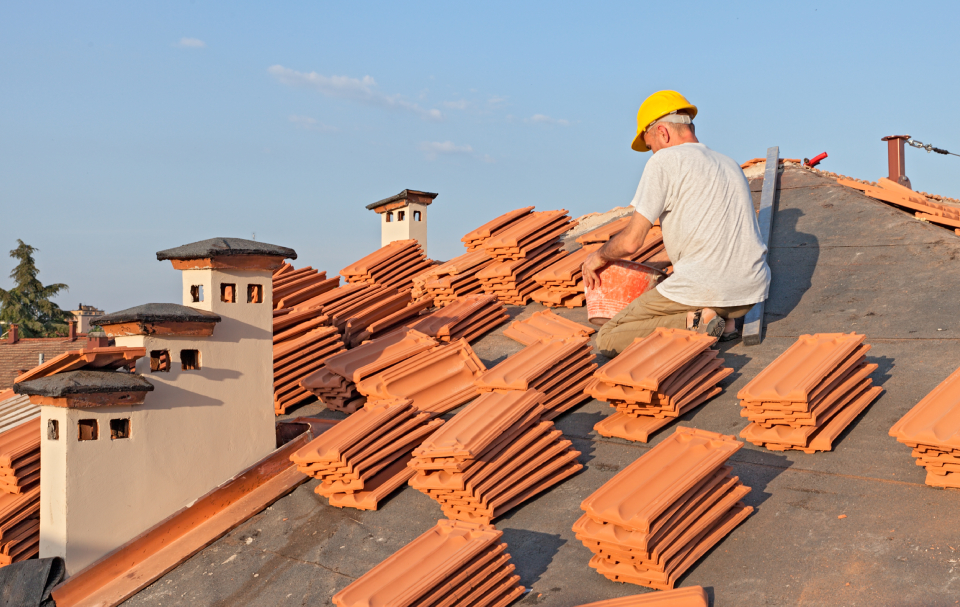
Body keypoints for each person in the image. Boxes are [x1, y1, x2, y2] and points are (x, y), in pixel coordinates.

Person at [583, 90, 770, 357]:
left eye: (649, 146)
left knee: (608, 337)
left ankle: (696, 323)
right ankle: (724, 323)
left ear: (662, 132)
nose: (652, 152)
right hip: (750, 293)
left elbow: (632, 241)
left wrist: (598, 257)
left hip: (707, 287)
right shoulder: (729, 164)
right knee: (687, 288)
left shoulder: (664, 161)